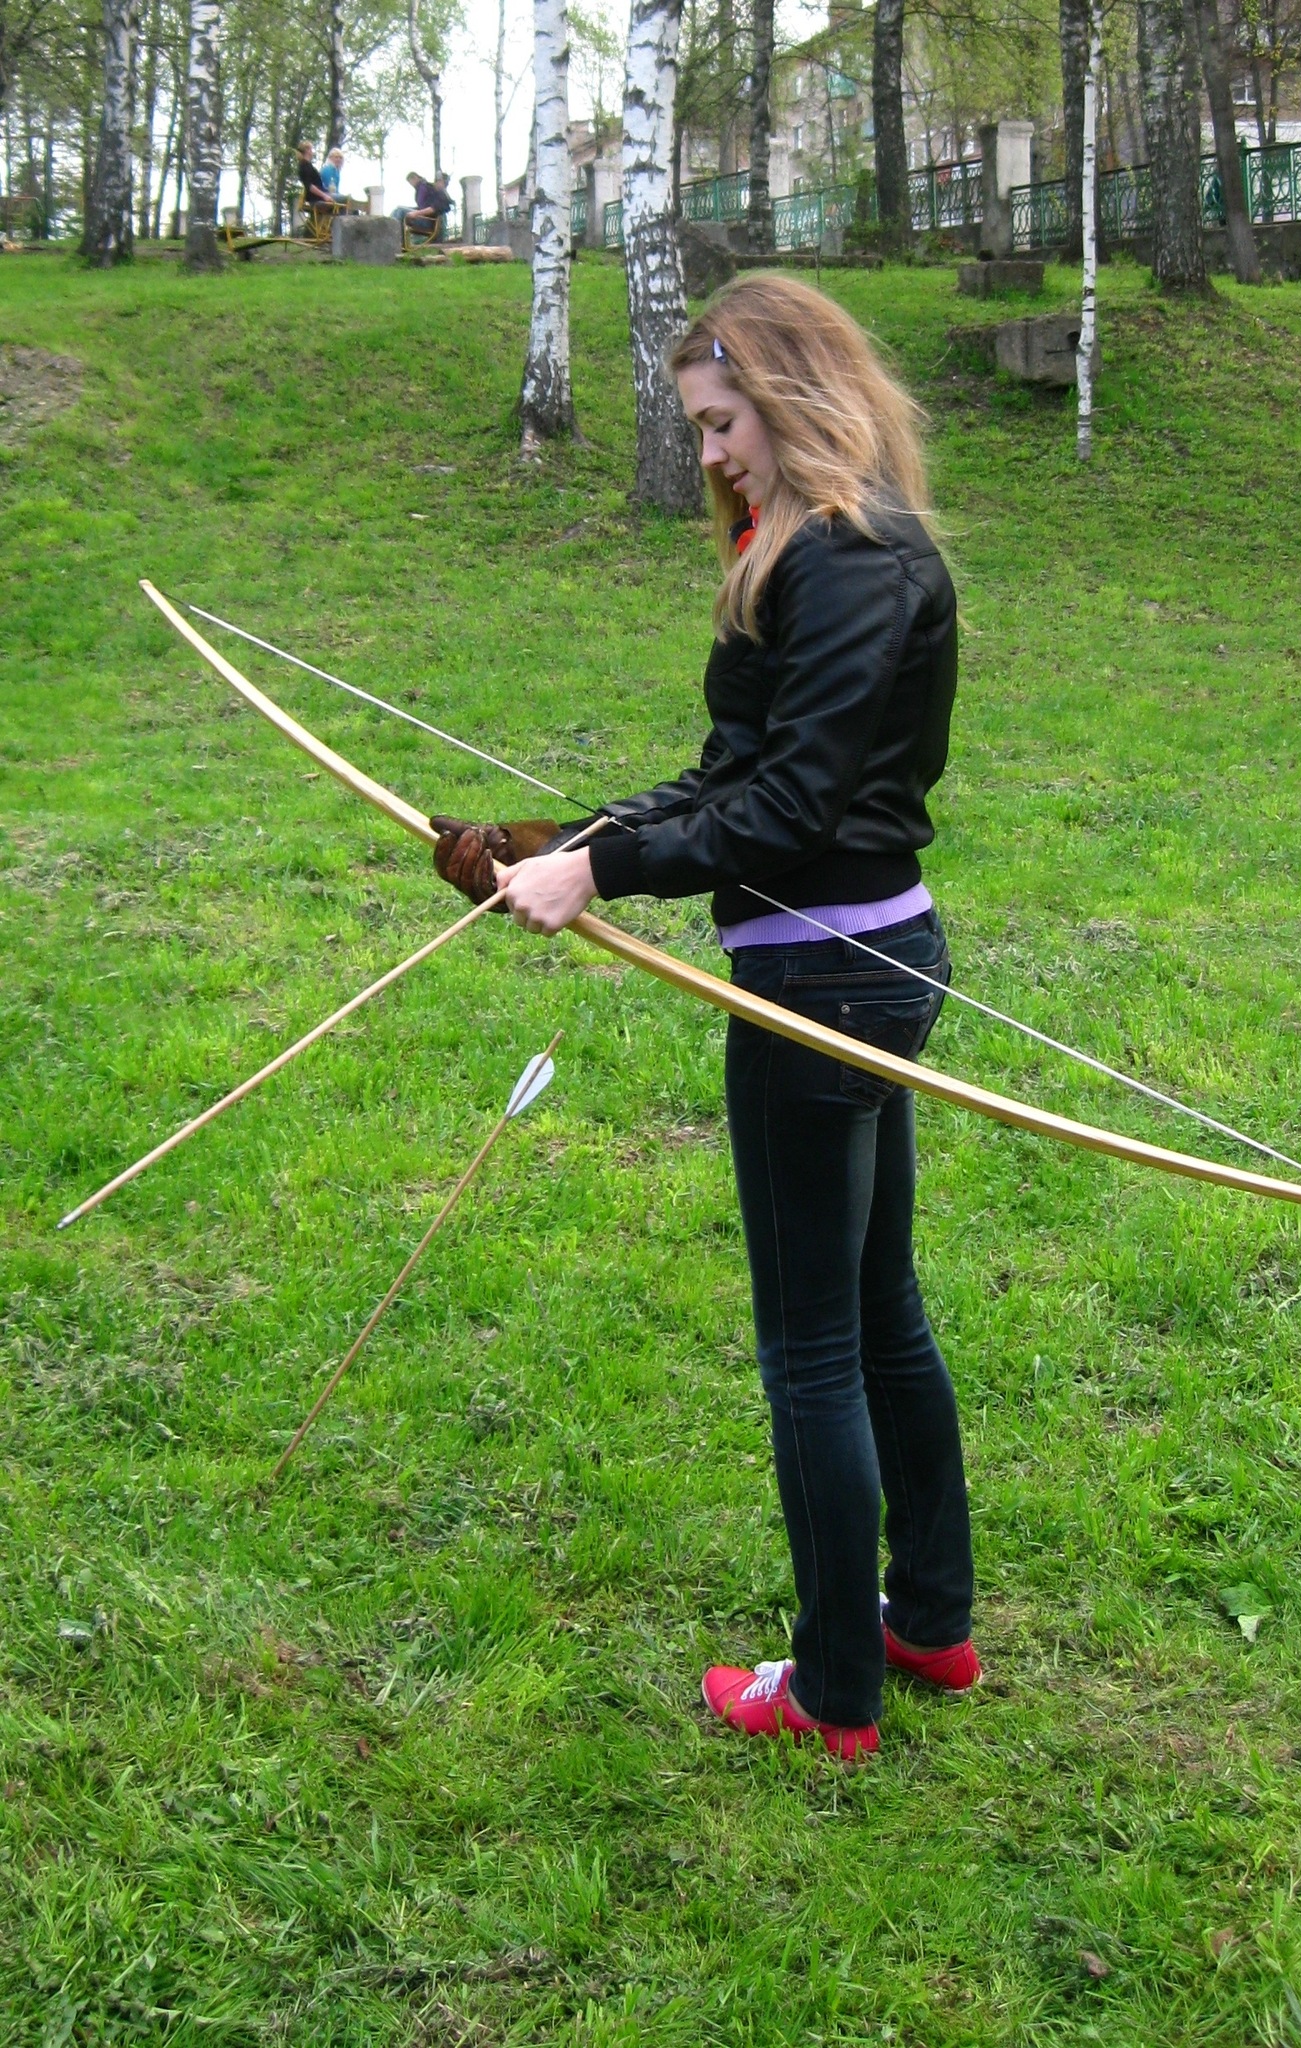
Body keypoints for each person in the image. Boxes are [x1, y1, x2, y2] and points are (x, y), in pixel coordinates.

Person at [430, 275, 979, 1763]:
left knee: (816, 1347)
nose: (713, 452)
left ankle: (837, 1686)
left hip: (822, 982)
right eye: (700, 426)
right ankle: (927, 1619)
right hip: (863, 965)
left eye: (724, 421)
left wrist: (601, 873)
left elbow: (789, 808)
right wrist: (560, 846)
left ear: (794, 394)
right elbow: (732, 774)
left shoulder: (849, 558)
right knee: (877, 1309)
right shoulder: (820, 548)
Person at [393, 170, 452, 241]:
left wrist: (416, 213)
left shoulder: (442, 195)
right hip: (424, 218)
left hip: (429, 222)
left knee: (400, 211)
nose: (437, 183)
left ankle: (394, 240)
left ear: (444, 183)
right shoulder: (432, 191)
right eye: (436, 181)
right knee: (397, 209)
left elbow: (433, 209)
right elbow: (423, 207)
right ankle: (393, 236)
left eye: (439, 181)